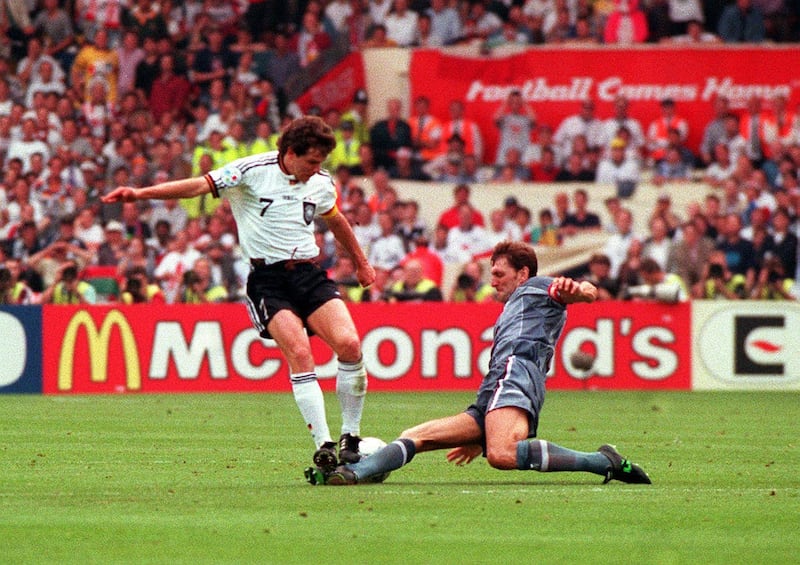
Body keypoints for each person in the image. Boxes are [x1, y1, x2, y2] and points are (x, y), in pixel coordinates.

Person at [102, 116, 377, 468]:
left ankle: (350, 438)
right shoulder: (250, 171)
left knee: (350, 345)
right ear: (290, 153)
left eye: (320, 163)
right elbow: (196, 187)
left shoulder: (320, 182)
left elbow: (335, 219)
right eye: (311, 161)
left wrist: (360, 262)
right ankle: (323, 444)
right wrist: (140, 194)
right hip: (269, 280)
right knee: (299, 351)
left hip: (309, 273)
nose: (316, 169)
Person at [306, 240, 651, 486]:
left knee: (502, 455)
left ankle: (600, 461)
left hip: (516, 376)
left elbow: (579, 292)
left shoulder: (536, 288)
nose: (493, 279)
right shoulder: (510, 307)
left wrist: (582, 291)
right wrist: (483, 432)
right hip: (493, 391)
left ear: (523, 273)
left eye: (500, 273)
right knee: (416, 436)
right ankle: (353, 473)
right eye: (492, 272)